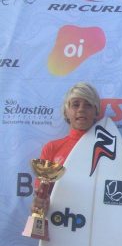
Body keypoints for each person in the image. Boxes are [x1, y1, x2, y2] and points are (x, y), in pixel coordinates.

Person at [32, 82, 101, 212]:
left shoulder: (107, 150)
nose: (81, 109)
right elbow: (41, 195)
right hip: (60, 221)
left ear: (96, 111)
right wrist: (40, 204)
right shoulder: (52, 148)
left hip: (95, 221)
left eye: (88, 105)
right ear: (66, 112)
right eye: (75, 104)